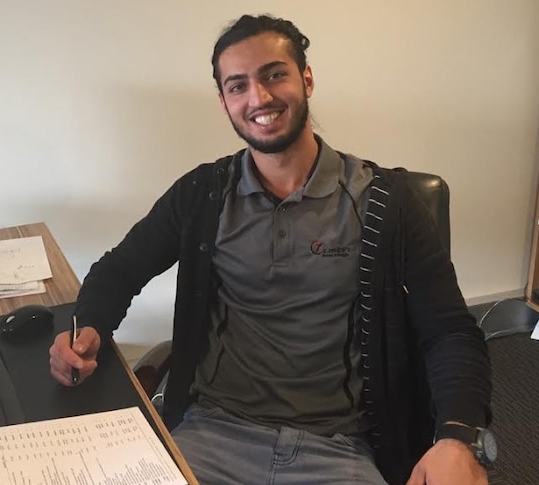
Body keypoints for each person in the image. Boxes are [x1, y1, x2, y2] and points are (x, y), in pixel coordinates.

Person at [49, 14, 492, 485]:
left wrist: (457, 437)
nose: (258, 97)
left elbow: (450, 332)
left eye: (274, 74)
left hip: (338, 450)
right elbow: (121, 268)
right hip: (210, 436)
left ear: (306, 79)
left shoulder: (385, 201)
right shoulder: (203, 193)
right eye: (237, 85)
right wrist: (90, 323)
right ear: (224, 102)